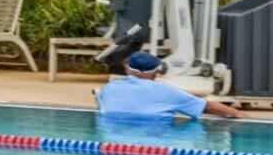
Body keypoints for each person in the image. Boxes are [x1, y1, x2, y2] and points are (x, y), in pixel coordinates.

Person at [96, 49, 243, 120]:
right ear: (157, 72)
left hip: (113, 145)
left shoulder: (109, 88)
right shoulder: (164, 91)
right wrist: (243, 116)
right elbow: (209, 107)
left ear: (127, 68)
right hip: (154, 140)